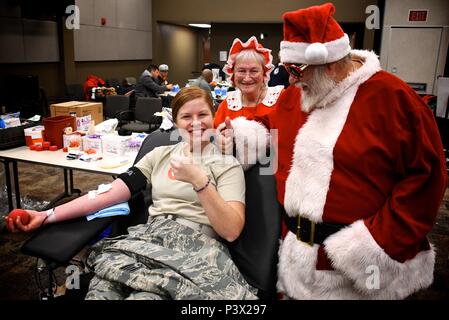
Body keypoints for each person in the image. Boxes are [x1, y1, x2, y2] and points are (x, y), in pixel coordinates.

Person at [216, 3, 448, 299]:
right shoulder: (299, 95)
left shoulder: (394, 99)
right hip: (295, 263)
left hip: (360, 271)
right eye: (288, 69)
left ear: (330, 62)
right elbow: (268, 123)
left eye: (296, 69)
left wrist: (375, 246)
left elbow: (426, 179)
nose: (290, 79)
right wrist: (236, 134)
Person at [6, 86, 257, 300]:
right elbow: (107, 194)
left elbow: (231, 230)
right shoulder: (160, 155)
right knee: (100, 289)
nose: (195, 123)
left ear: (213, 117)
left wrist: (200, 182)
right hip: (148, 242)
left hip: (195, 249)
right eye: (186, 117)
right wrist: (46, 214)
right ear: (176, 122)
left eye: (203, 114)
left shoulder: (226, 164)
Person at [213, 36, 285, 127]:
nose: (247, 78)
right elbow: (213, 137)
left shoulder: (281, 99)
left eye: (254, 71)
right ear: (233, 74)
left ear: (264, 73)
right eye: (241, 71)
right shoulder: (227, 105)